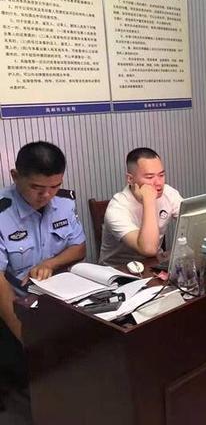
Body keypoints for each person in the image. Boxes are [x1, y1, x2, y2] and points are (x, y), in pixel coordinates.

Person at [0, 141, 86, 387]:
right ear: (15, 176)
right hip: (14, 307)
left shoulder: (64, 202)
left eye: (54, 186)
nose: (47, 195)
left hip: (58, 302)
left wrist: (52, 262)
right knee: (32, 377)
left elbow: (79, 248)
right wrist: (24, 336)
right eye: (37, 187)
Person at [99, 148, 182, 267]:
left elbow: (195, 220)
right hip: (118, 270)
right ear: (130, 179)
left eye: (161, 175)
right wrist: (149, 200)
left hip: (154, 264)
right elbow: (148, 249)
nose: (158, 183)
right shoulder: (117, 208)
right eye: (149, 177)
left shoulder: (169, 193)